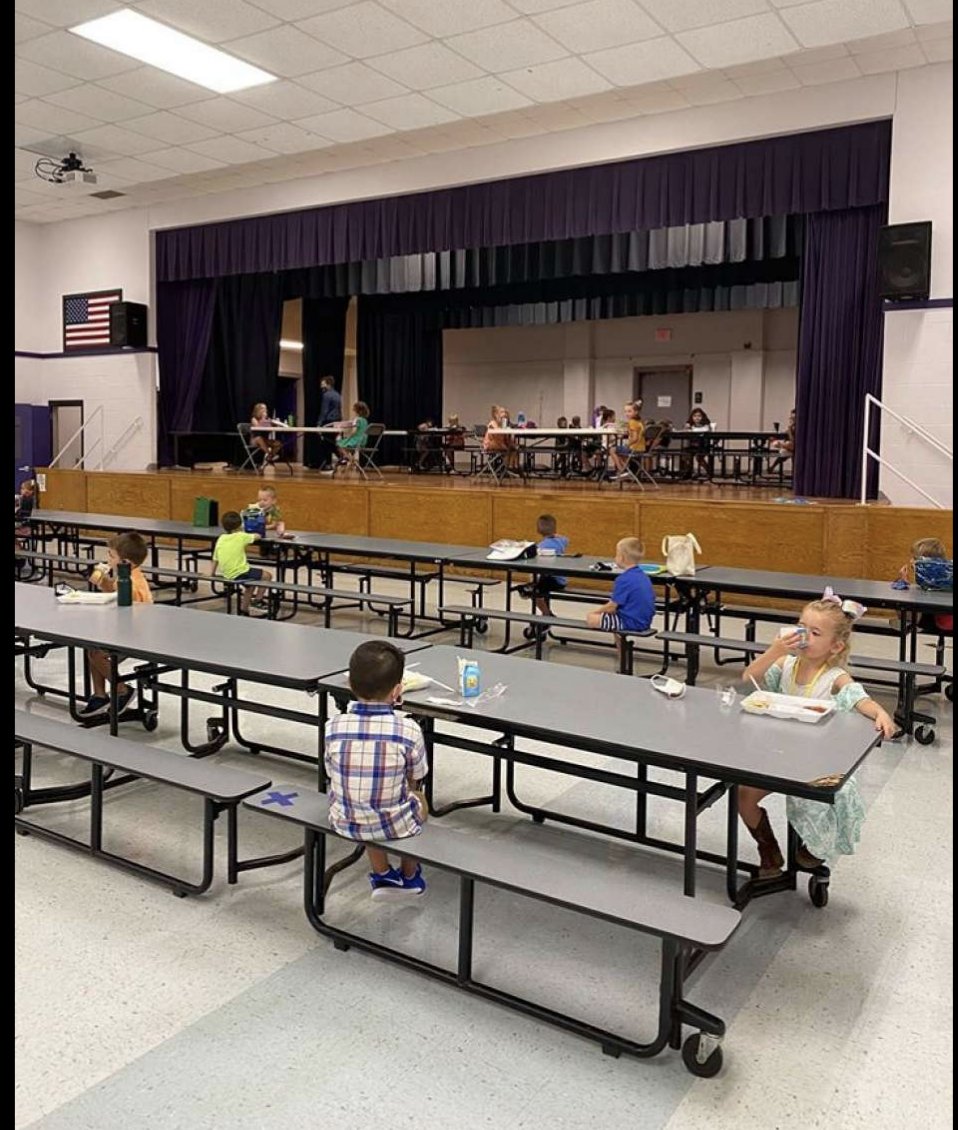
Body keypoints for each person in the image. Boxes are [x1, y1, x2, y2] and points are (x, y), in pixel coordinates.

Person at [738, 589, 897, 879]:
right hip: (779, 755)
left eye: (814, 633)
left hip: (816, 763)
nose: (804, 636)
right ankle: (769, 852)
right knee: (744, 796)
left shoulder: (834, 678)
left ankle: (814, 849)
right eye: (801, 627)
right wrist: (775, 650)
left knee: (822, 804)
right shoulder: (785, 663)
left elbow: (861, 700)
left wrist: (881, 713)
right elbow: (748, 678)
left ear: (835, 647)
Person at [324, 640, 428, 900]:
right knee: (417, 796)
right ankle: (410, 874)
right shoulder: (409, 729)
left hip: (344, 820)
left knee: (365, 793)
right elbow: (417, 774)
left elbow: (330, 770)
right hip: (395, 824)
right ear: (397, 691)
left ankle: (382, 873)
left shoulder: (333, 725)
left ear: (350, 685)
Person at [80, 533, 153, 718]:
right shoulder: (125, 576)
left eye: (111, 556)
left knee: (98, 654)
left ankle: (122, 690)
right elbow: (113, 591)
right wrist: (103, 581)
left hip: (135, 635)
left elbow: (125, 609)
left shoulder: (134, 584)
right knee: (92, 647)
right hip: (123, 631)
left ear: (125, 562)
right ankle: (100, 695)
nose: (108, 560)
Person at [585, 538, 656, 666]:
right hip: (644, 619)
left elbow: (612, 606)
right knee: (613, 623)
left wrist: (594, 612)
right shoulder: (644, 576)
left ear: (622, 558)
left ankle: (622, 657)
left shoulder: (623, 579)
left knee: (591, 619)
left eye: (616, 554)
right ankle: (622, 655)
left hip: (630, 621)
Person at [212, 510, 272, 615]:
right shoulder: (241, 536)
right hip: (240, 572)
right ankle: (258, 600)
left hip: (226, 573)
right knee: (267, 576)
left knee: (251, 585)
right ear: (240, 525)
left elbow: (215, 557)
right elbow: (258, 536)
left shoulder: (221, 538)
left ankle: (244, 610)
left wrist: (211, 572)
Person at [900, 537, 953, 632]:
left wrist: (905, 587)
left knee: (906, 608)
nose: (911, 561)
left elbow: (913, 617)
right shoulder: (946, 574)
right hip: (942, 619)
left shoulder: (928, 580)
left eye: (915, 558)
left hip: (940, 622)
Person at [521, 514, 569, 617]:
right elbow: (566, 539)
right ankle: (546, 613)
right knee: (534, 586)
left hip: (552, 579)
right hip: (560, 578)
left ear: (538, 529)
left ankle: (546, 613)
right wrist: (556, 535)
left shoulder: (542, 546)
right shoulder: (561, 541)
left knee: (530, 590)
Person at [610, 401, 646, 477]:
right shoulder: (640, 421)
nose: (627, 413)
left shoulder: (632, 422)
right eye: (625, 411)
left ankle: (621, 470)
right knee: (620, 452)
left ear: (636, 412)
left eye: (629, 411)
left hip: (634, 448)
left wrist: (627, 444)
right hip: (641, 448)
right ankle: (626, 470)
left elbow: (635, 438)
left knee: (612, 450)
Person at [315, 376, 343, 470]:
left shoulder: (326, 395)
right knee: (331, 442)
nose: (321, 386)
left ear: (328, 384)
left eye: (323, 384)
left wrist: (319, 424)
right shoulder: (338, 394)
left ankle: (329, 464)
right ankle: (341, 458)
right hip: (337, 421)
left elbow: (324, 410)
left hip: (328, 421)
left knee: (326, 443)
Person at [335, 401, 370, 472]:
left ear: (357, 410)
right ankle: (348, 459)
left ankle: (349, 459)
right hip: (363, 441)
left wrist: (349, 436)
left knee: (339, 444)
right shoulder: (365, 420)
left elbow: (354, 430)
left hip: (356, 440)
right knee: (348, 448)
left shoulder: (357, 419)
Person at [481, 405, 514, 477]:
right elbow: (496, 435)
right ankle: (504, 468)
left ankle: (508, 468)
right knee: (507, 449)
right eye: (502, 412)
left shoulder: (504, 424)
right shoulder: (492, 423)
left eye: (505, 412)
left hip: (500, 444)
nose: (504, 414)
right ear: (496, 415)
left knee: (514, 448)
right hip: (491, 444)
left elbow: (506, 437)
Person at [683, 407, 712, 480]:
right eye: (695, 416)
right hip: (693, 446)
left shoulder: (706, 426)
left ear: (702, 417)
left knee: (699, 458)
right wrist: (686, 428)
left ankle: (709, 472)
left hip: (704, 446)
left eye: (699, 416)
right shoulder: (691, 426)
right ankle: (688, 472)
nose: (697, 418)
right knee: (686, 454)